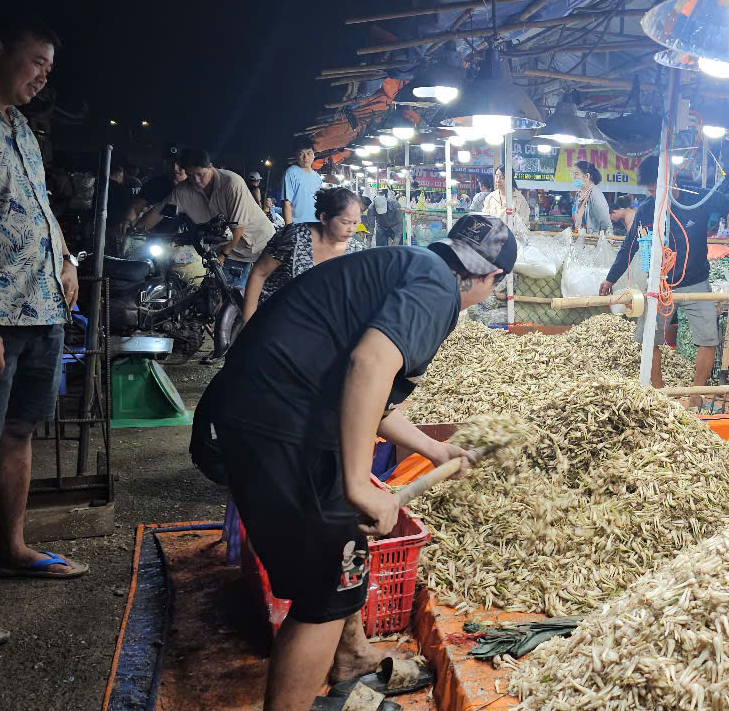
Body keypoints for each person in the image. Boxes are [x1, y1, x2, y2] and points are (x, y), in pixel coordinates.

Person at [194, 213, 516, 711]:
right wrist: (358, 484)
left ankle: (349, 660)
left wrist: (434, 449)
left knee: (341, 550)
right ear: (493, 278)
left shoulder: (411, 265)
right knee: (328, 588)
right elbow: (369, 364)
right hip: (278, 422)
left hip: (253, 411)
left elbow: (376, 398)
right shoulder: (436, 289)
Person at [0, 15, 88, 653]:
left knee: (19, 433)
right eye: (36, 60)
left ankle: (9, 550)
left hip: (39, 308)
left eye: (50, 66)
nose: (44, 76)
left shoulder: (20, 126)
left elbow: (40, 207)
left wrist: (66, 261)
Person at [599, 155, 729, 407]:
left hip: (696, 282)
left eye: (655, 186)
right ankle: (661, 397)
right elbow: (629, 247)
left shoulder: (697, 198)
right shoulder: (646, 210)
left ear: (671, 179)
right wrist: (610, 278)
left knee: (708, 338)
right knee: (649, 338)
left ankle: (696, 396)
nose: (651, 192)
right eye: (648, 188)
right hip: (659, 285)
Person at [140, 147, 275, 290]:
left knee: (254, 297)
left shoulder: (232, 183)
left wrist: (223, 255)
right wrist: (137, 230)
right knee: (224, 296)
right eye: (191, 175)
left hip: (261, 244)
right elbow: (159, 211)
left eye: (200, 174)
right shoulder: (182, 191)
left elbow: (238, 228)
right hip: (232, 250)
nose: (196, 180)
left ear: (210, 167)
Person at [242, 187, 367, 322]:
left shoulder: (357, 251)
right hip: (275, 319)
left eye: (355, 223)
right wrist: (248, 320)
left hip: (318, 327)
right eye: (345, 222)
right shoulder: (294, 236)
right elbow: (259, 274)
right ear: (324, 218)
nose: (351, 230)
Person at [283, 137, 323, 225]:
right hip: (298, 225)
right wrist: (289, 229)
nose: (306, 157)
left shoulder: (317, 177)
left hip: (316, 224)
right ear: (296, 155)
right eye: (301, 153)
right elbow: (286, 203)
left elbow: (320, 202)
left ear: (314, 154)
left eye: (309, 153)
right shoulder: (291, 172)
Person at [482, 165, 530, 234]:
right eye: (496, 176)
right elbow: (484, 221)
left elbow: (524, 227)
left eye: (503, 178)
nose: (498, 180)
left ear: (510, 179)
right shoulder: (490, 198)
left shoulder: (519, 199)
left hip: (512, 241)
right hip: (492, 240)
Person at [571, 160, 611, 234]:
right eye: (572, 174)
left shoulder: (596, 194)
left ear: (586, 176)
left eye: (576, 174)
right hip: (582, 239)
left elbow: (606, 223)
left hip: (593, 241)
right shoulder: (579, 195)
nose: (573, 177)